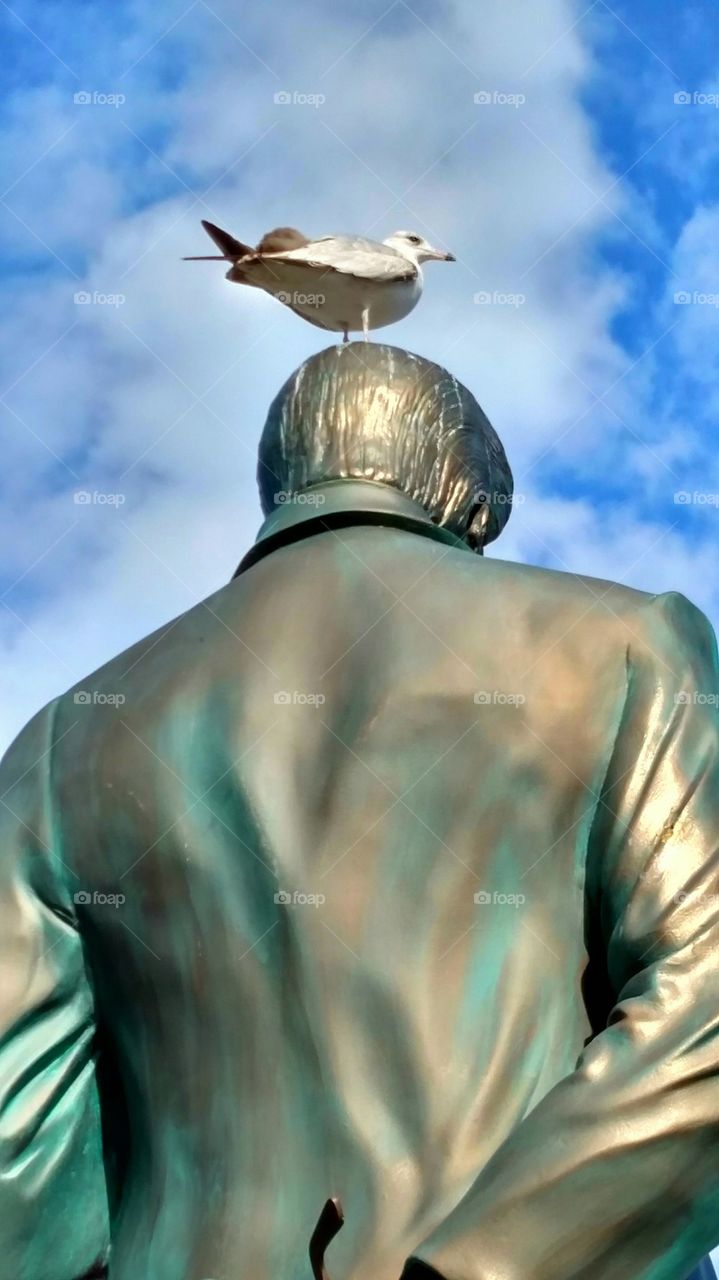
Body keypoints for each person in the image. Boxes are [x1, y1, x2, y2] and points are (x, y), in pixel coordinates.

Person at [0, 343, 717, 1280]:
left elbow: (19, 1162)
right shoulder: (622, 645)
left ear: (282, 487)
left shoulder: (66, 741)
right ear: (469, 506)